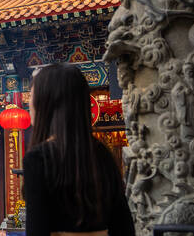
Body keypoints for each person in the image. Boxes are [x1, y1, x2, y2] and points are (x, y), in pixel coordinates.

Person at [24, 63, 135, 235]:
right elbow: (124, 227)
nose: (28, 103)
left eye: (31, 95)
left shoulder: (38, 159)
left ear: (46, 102)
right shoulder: (103, 154)